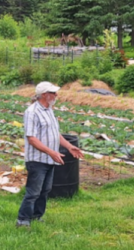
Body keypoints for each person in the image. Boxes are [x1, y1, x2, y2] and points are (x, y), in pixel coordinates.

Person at [16, 82, 84, 229]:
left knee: (45, 190)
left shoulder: (49, 109)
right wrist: (51, 152)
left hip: (49, 159)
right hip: (37, 159)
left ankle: (37, 216)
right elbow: (31, 138)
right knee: (33, 192)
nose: (56, 95)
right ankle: (23, 220)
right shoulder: (32, 112)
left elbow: (55, 133)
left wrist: (69, 146)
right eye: (53, 93)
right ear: (44, 95)